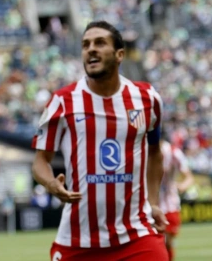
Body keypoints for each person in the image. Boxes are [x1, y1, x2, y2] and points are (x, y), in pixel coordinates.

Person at [31, 21, 169, 261]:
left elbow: (155, 153)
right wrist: (51, 183)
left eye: (99, 43)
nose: (91, 49)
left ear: (119, 55)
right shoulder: (62, 101)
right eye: (85, 45)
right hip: (78, 241)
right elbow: (40, 161)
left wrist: (153, 202)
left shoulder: (147, 98)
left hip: (136, 235)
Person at [160, 138, 194, 261]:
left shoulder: (174, 152)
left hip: (169, 204)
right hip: (149, 204)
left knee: (167, 241)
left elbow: (189, 177)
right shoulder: (142, 147)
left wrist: (181, 186)